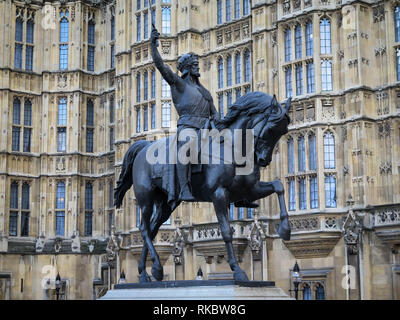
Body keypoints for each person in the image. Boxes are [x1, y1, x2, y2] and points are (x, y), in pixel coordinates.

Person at [150, 24, 220, 201]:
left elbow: (215, 113)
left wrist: (219, 124)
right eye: (195, 65)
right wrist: (153, 45)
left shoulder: (205, 92)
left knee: (233, 144)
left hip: (206, 129)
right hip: (188, 128)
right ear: (188, 67)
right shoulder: (179, 84)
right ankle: (184, 188)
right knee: (187, 145)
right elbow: (161, 66)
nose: (198, 67)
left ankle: (238, 188)